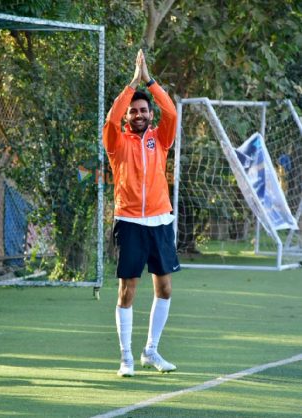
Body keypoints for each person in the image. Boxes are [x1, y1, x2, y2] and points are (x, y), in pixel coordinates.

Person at [103, 49, 180, 377]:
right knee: (127, 290)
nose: (138, 114)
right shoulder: (116, 141)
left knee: (164, 288)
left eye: (143, 109)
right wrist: (131, 85)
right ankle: (126, 358)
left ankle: (151, 351)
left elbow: (172, 114)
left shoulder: (160, 139)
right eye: (133, 110)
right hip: (130, 221)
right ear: (127, 116)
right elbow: (110, 119)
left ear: (150, 114)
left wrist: (149, 80)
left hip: (160, 220)